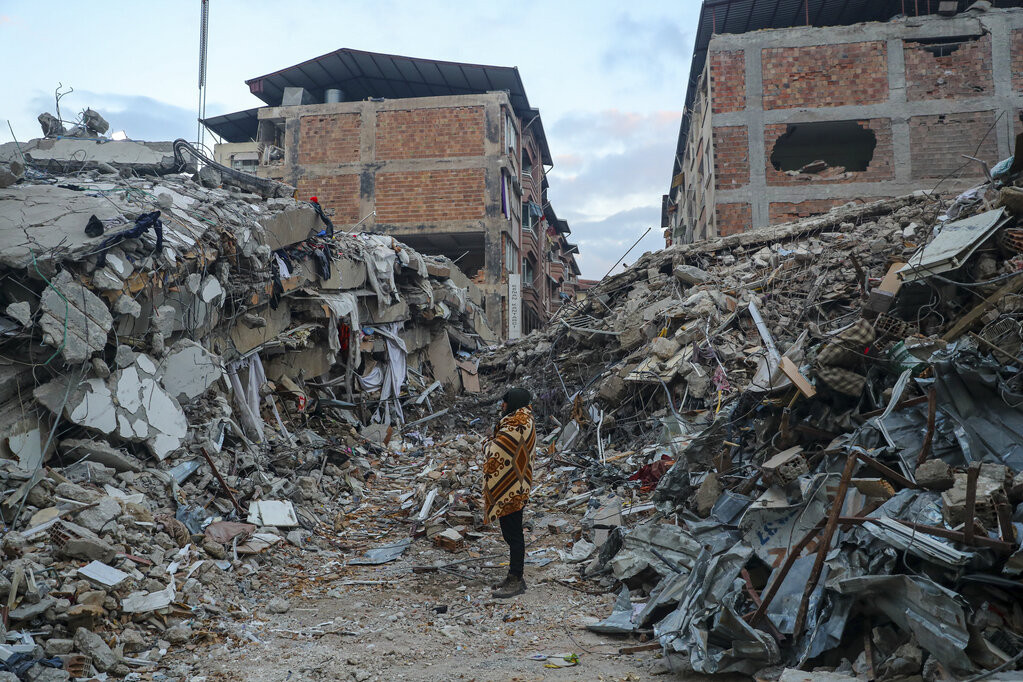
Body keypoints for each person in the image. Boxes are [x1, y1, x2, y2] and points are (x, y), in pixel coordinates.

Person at [482, 388, 536, 599]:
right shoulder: (523, 420)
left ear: (512, 403)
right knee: (510, 532)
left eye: (504, 403)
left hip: (512, 488)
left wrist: (486, 443)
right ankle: (514, 576)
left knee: (513, 534)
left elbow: (494, 451)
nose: (502, 407)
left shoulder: (517, 424)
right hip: (515, 484)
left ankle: (516, 578)